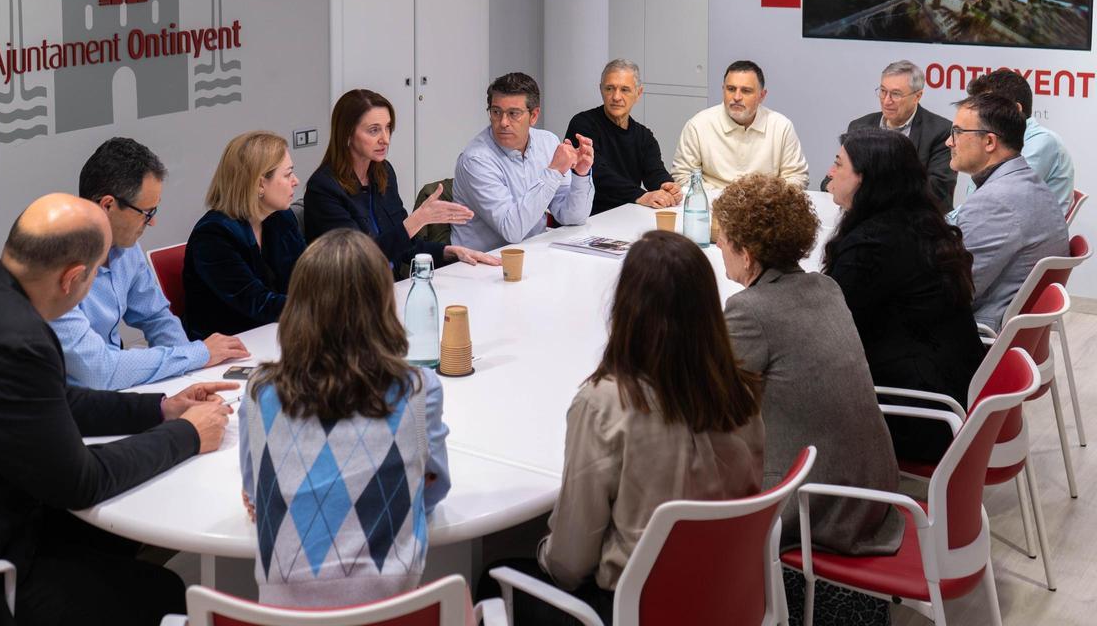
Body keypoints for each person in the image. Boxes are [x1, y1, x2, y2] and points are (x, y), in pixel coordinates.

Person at [0, 193, 234, 626]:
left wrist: (162, 409)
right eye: (96, 272)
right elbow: (82, 482)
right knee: (164, 592)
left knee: (111, 539)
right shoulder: (18, 341)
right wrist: (188, 434)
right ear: (73, 278)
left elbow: (57, 400)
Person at [481, 231, 763, 625]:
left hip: (636, 610)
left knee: (492, 578)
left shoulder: (607, 404)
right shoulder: (740, 391)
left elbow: (568, 565)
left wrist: (542, 548)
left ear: (626, 308)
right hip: (723, 597)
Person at [715, 174, 900, 625]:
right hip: (872, 482)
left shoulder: (750, 310)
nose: (718, 247)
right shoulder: (825, 287)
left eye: (722, 240)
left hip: (817, 501)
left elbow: (709, 404)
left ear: (746, 252)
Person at [239, 229, 450, 607]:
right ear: (384, 305)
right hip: (395, 612)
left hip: (282, 615)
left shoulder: (259, 391)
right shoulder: (417, 388)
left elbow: (256, 495)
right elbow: (434, 489)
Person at [823, 129, 986, 461]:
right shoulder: (921, 224)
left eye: (838, 164)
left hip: (920, 416)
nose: (829, 172)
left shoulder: (872, 245)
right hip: (955, 399)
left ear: (864, 179)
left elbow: (831, 333)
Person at [51, 137, 249, 390]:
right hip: (70, 399)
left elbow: (156, 317)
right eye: (146, 213)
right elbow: (98, 371)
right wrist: (196, 354)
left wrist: (192, 378)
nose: (152, 222)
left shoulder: (126, 249)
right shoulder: (57, 268)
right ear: (107, 205)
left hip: (113, 390)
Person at [304, 89, 499, 274]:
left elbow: (404, 245)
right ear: (347, 134)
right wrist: (417, 220)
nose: (385, 139)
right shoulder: (323, 188)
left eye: (388, 127)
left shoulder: (383, 172)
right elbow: (358, 260)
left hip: (392, 285)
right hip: (349, 292)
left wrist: (450, 251)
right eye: (374, 130)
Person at [948, 94, 1069, 331]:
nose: (949, 142)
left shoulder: (995, 202)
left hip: (978, 335)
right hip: (1010, 330)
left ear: (989, 142)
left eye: (957, 132)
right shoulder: (1026, 182)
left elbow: (952, 292)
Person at [452, 72, 595, 252]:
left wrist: (581, 175)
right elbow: (512, 230)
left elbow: (573, 217)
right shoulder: (476, 159)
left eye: (513, 113)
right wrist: (554, 172)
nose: (503, 122)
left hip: (533, 251)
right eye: (496, 112)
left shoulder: (547, 142)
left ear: (534, 116)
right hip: (484, 261)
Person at [183, 131, 306, 339]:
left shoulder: (280, 218)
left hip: (275, 332)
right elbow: (256, 303)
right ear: (259, 184)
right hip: (230, 344)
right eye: (287, 174)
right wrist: (323, 306)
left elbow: (305, 277)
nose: (296, 181)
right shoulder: (213, 235)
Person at [818, 60, 955, 212]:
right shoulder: (859, 126)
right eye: (883, 91)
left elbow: (937, 190)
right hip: (864, 218)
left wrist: (869, 187)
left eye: (896, 94)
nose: (886, 101)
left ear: (917, 96)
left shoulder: (940, 131)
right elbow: (831, 180)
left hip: (915, 221)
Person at [951, 68, 1075, 218]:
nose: (978, 114)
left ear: (1016, 110)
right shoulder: (998, 140)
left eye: (986, 107)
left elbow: (993, 203)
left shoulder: (1042, 142)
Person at [670, 59, 809, 191]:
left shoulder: (781, 127)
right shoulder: (698, 125)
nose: (736, 97)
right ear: (723, 90)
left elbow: (797, 177)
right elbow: (682, 176)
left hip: (765, 205)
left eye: (746, 91)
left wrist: (766, 197)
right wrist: (722, 196)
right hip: (712, 202)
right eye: (731, 89)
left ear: (762, 95)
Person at [564, 59, 680, 214]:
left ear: (638, 93)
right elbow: (597, 174)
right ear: (601, 90)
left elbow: (654, 172)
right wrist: (641, 195)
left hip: (627, 214)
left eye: (625, 90)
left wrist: (667, 186)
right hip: (588, 216)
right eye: (609, 88)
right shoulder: (583, 124)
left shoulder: (644, 136)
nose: (616, 97)